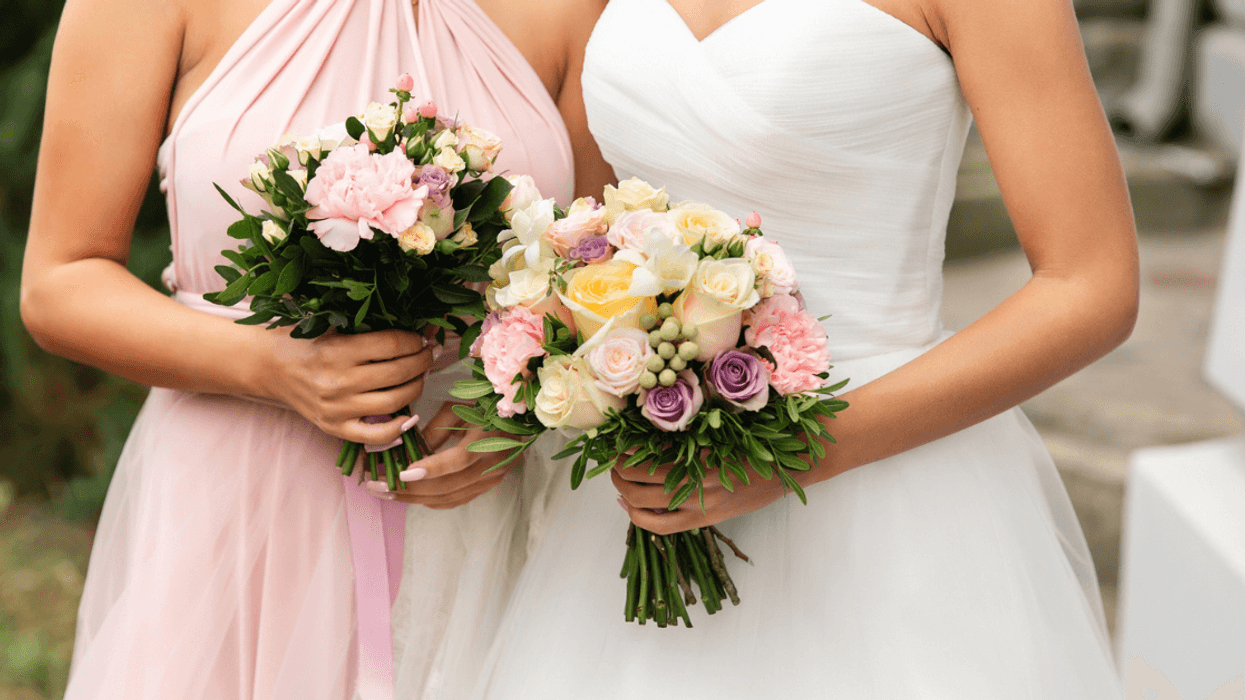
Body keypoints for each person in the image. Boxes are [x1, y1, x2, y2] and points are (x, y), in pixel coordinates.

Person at [472, 0, 1137, 696]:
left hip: (886, 480)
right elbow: (589, 219)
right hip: (646, 472)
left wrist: (801, 453)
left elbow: (1091, 286)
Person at [20, 0, 611, 697]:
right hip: (243, 505)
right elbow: (61, 281)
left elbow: (590, 262)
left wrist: (512, 407)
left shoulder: (578, 10)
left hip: (472, 507)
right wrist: (272, 366)